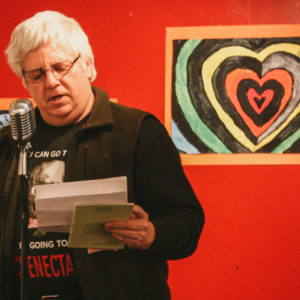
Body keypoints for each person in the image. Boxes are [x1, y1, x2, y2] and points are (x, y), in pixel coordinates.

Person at [0, 10, 205, 300]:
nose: (51, 82)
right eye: (37, 74)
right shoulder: (9, 143)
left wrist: (152, 234)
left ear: (88, 66)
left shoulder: (137, 131)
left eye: (61, 67)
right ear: (25, 83)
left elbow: (187, 222)